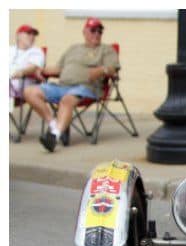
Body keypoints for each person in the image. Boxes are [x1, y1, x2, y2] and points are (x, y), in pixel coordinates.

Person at [22, 17, 118, 152]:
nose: (97, 33)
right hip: (62, 86)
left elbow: (113, 68)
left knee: (67, 100)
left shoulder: (106, 50)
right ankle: (54, 125)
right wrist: (41, 70)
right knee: (29, 91)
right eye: (93, 30)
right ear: (85, 32)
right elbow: (58, 69)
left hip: (86, 88)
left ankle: (54, 136)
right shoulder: (73, 48)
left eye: (100, 31)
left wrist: (102, 70)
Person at [9, 24, 44, 99]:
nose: (32, 37)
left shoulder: (36, 51)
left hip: (20, 85)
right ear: (18, 36)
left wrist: (20, 72)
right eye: (28, 33)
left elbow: (33, 67)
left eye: (34, 35)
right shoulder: (9, 49)